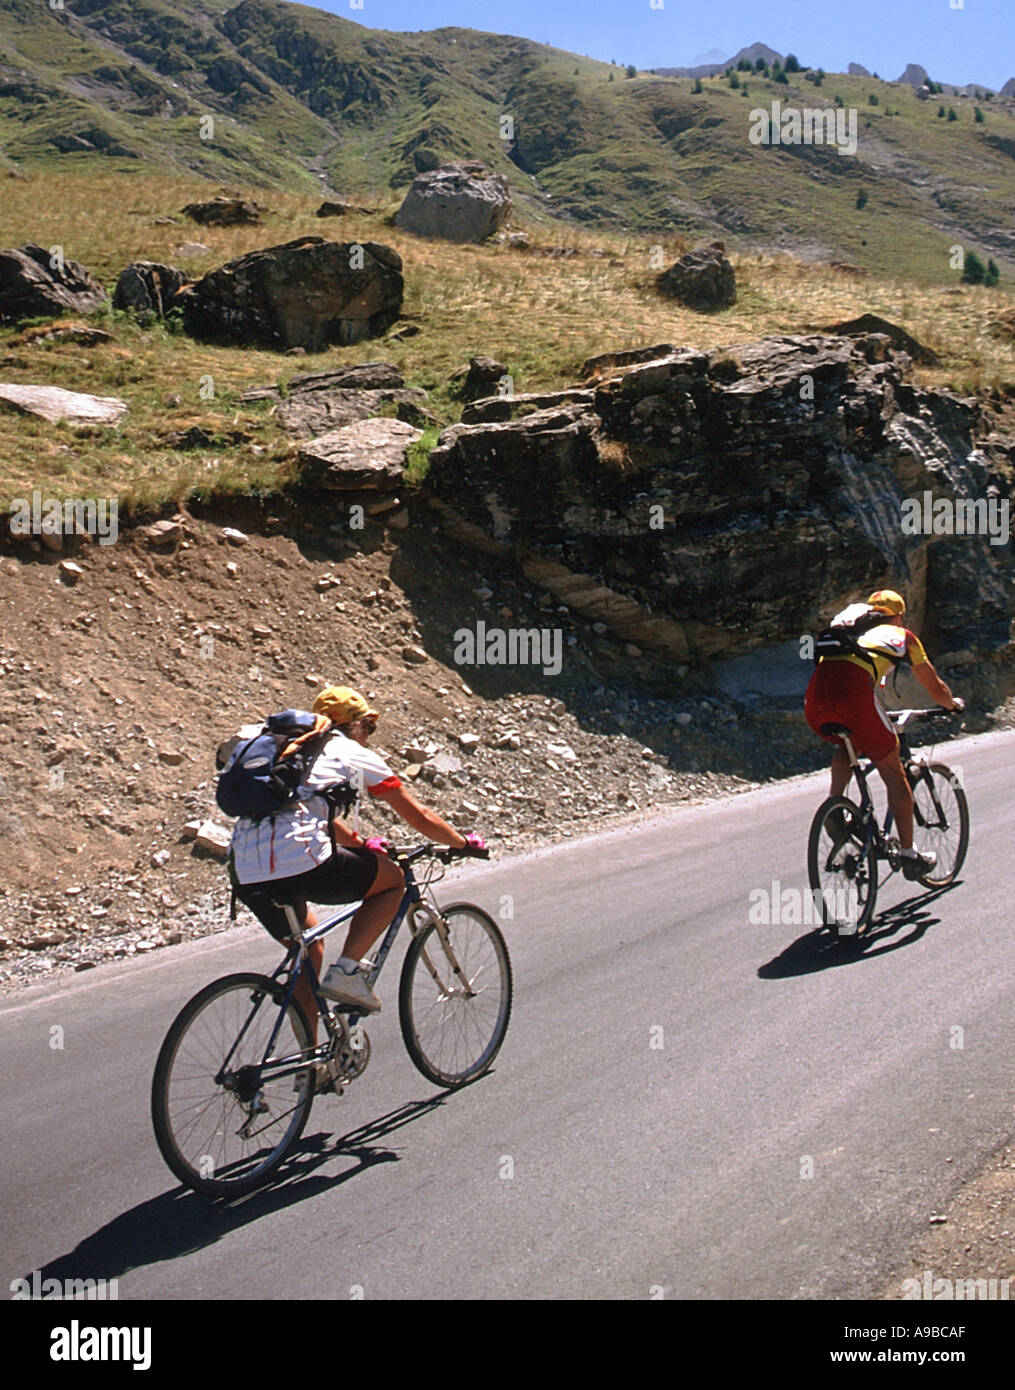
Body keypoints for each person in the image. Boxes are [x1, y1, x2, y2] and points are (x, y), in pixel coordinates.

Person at [230, 686, 483, 1027]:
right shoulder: (347, 750)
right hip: (298, 862)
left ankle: (312, 1068)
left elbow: (315, 819)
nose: (369, 736)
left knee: (307, 952)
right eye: (369, 727)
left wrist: (362, 846)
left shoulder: (292, 753)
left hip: (245, 870)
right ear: (355, 726)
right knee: (391, 881)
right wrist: (461, 841)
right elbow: (419, 816)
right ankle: (347, 971)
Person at [804, 589, 962, 880]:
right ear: (899, 615)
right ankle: (909, 853)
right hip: (854, 696)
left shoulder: (848, 628)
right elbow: (935, 688)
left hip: (816, 700)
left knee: (849, 742)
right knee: (894, 772)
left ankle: (834, 807)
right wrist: (951, 704)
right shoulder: (902, 636)